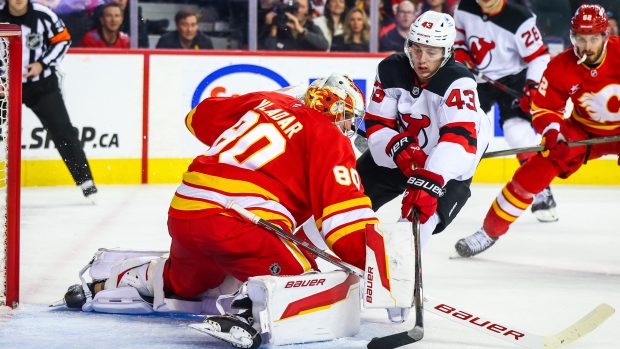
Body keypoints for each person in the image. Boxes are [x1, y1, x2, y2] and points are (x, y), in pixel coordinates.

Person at [59, 75, 420, 346]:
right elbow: (344, 223)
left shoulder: (265, 103)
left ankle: (117, 278)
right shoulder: (329, 138)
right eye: (347, 119)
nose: (347, 129)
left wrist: (270, 99)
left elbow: (197, 118)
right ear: (339, 112)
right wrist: (379, 268)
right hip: (236, 224)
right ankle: (248, 309)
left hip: (186, 212)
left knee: (187, 285)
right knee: (304, 278)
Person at [454, 4, 620, 258]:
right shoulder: (561, 66)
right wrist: (554, 132)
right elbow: (545, 109)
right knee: (532, 172)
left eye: (593, 38)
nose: (587, 46)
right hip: (582, 132)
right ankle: (489, 231)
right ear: (572, 36)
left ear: (605, 36)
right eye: (580, 38)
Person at [357, 11, 491, 251]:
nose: (422, 59)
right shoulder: (391, 70)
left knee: (416, 221)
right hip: (403, 151)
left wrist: (430, 179)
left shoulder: (458, 81)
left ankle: (396, 273)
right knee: (349, 198)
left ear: (447, 52)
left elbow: (459, 142)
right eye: (417, 49)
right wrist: (398, 148)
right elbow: (377, 126)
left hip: (447, 166)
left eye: (432, 52)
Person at [453, 0, 557, 222]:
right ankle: (444, 181)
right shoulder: (464, 7)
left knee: (516, 131)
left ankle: (541, 189)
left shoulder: (521, 19)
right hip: (478, 78)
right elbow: (459, 37)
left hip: (515, 78)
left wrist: (532, 86)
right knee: (461, 126)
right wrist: (461, 53)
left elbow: (539, 56)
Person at [0, 0, 97, 198]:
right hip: (4, 86)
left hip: (41, 86)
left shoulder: (44, 14)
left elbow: (63, 39)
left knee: (62, 131)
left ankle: (85, 180)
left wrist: (42, 64)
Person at [262, 0, 329, 51]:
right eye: (296, 6)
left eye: (302, 7)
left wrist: (301, 30)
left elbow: (324, 46)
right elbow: (266, 53)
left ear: (308, 11)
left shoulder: (312, 27)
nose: (298, 10)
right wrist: (273, 26)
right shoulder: (280, 27)